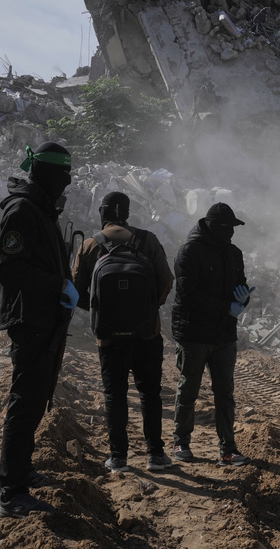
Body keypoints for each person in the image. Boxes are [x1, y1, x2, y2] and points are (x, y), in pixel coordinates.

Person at [0, 142, 76, 519]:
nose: (68, 183)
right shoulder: (23, 210)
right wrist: (57, 286)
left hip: (44, 321)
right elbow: (8, 270)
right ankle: (12, 494)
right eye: (64, 175)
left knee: (37, 398)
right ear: (46, 174)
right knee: (25, 405)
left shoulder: (42, 210)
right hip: (29, 320)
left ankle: (22, 471)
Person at [72, 192, 175, 473]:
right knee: (150, 394)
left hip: (108, 337)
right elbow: (167, 280)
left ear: (102, 213)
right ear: (128, 213)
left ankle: (118, 458)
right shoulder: (148, 240)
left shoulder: (91, 244)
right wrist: (148, 308)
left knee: (114, 395)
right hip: (147, 334)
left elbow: (76, 291)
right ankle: (155, 455)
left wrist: (100, 311)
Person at [171, 202, 254, 467]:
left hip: (224, 335)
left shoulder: (233, 253)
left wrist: (242, 303)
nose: (230, 233)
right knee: (189, 390)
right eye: (226, 228)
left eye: (233, 228)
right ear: (211, 227)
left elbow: (239, 287)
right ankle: (181, 442)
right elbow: (188, 296)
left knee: (225, 394)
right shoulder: (189, 252)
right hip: (194, 334)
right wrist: (226, 307)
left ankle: (227, 449)